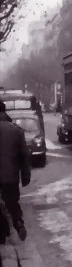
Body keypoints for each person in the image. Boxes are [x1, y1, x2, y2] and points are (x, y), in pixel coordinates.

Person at [0, 101, 30, 244]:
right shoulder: (16, 130)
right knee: (12, 201)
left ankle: (2, 231)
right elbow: (24, 155)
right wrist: (25, 175)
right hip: (11, 176)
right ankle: (18, 222)